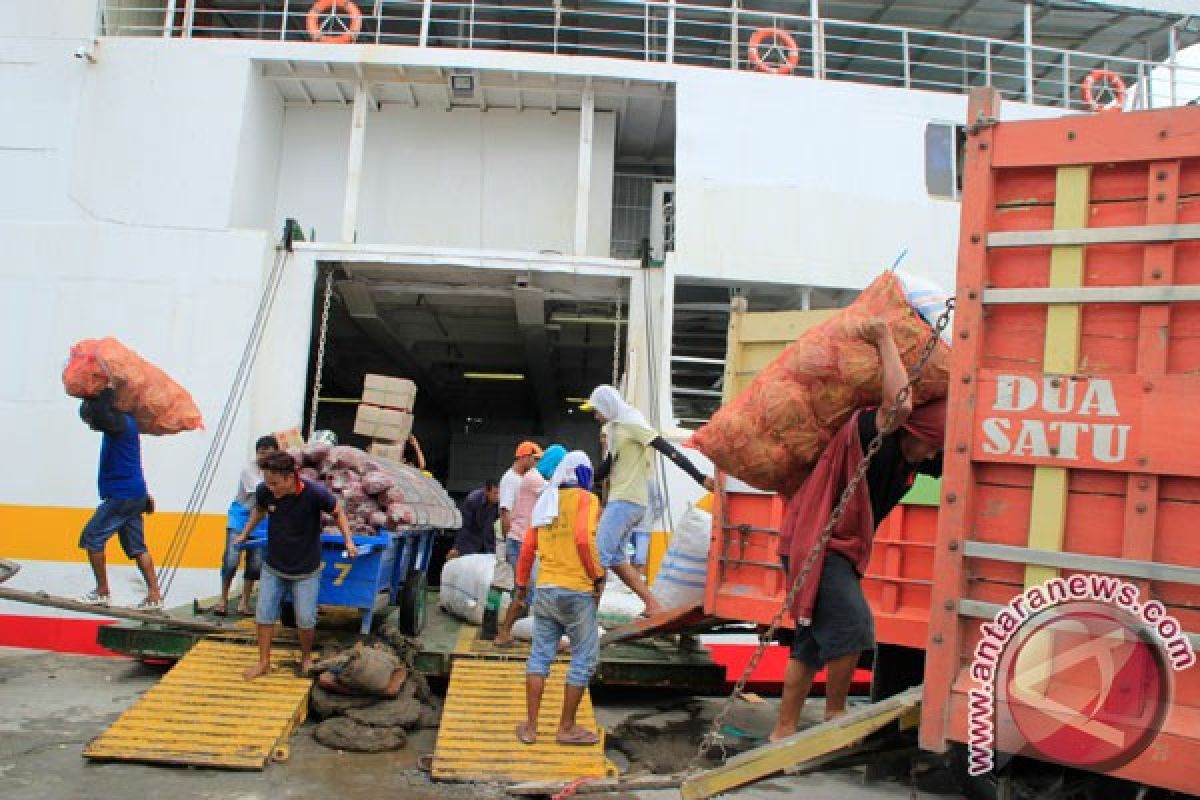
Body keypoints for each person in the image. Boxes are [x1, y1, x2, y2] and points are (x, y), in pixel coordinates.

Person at [768, 318, 945, 740]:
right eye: (932, 442)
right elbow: (900, 404)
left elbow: (960, 454)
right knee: (855, 627)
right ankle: (835, 714)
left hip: (831, 546)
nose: (934, 453)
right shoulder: (871, 433)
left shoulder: (914, 458)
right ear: (916, 433)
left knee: (809, 643)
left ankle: (783, 730)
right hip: (819, 542)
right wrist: (885, 339)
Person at [587, 385, 714, 618]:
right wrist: (577, 482)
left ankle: (586, 618)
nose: (596, 416)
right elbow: (607, 468)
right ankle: (653, 605)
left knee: (597, 557)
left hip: (626, 500)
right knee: (615, 559)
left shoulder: (633, 422)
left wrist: (699, 477)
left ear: (607, 405)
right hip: (622, 499)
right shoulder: (615, 428)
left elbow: (667, 450)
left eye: (597, 410)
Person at [236, 451, 358, 680]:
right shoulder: (266, 492)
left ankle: (306, 658)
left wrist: (349, 541)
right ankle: (263, 662)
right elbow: (259, 511)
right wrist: (244, 534)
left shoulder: (314, 494)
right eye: (267, 482)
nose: (271, 488)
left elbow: (337, 512)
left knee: (305, 618)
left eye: (275, 483)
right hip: (274, 565)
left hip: (306, 568)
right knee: (264, 614)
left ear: (290, 477)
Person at [514, 451, 604, 747]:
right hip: (576, 591)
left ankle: (530, 727)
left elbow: (528, 548)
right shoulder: (587, 500)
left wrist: (521, 585)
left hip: (546, 589)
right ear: (582, 475)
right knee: (583, 658)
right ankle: (566, 728)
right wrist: (597, 575)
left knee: (540, 656)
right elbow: (582, 539)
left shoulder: (546, 500)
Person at [78, 388, 164, 610]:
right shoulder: (128, 424)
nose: (90, 425)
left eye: (90, 421)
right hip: (135, 494)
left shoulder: (119, 425)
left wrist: (94, 397)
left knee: (92, 538)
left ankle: (102, 591)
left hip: (121, 495)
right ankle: (155, 594)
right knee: (137, 547)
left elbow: (100, 414)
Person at [494, 443, 567, 647]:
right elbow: (555, 495)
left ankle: (509, 633)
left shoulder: (534, 477)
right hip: (520, 542)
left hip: (525, 542)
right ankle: (510, 634)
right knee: (528, 589)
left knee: (525, 590)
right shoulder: (534, 478)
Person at [215, 434, 278, 616]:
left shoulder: (277, 471)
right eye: (261, 453)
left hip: (261, 520)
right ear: (256, 454)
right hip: (240, 518)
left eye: (269, 453)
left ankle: (244, 601)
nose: (264, 457)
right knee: (231, 560)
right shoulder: (248, 470)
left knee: (256, 564)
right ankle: (223, 599)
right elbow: (262, 491)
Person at [499, 441, 542, 547]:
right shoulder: (510, 479)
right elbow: (505, 512)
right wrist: (507, 542)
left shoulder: (529, 476)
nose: (537, 463)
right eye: (535, 459)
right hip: (516, 541)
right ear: (525, 457)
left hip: (527, 539)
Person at [447, 480, 500, 558]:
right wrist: (457, 547)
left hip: (489, 543)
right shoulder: (473, 500)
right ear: (486, 492)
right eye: (495, 493)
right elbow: (465, 526)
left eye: (499, 493)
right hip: (471, 542)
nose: (498, 496)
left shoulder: (501, 503)